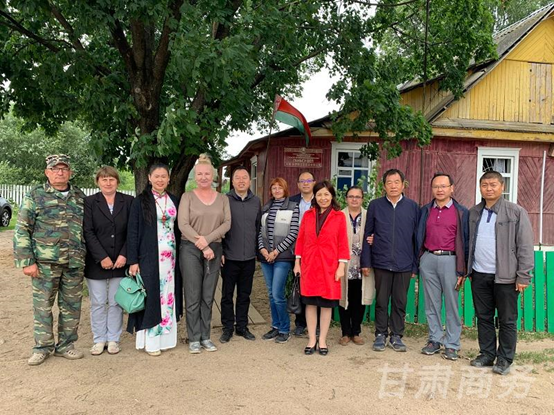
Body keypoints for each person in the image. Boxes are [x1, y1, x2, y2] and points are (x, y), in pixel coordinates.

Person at [14, 154, 87, 366]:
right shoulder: (36, 195)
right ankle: (43, 347)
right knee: (43, 306)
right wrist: (27, 261)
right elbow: (22, 229)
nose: (60, 172)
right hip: (45, 263)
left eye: (64, 169)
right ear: (47, 172)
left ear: (70, 172)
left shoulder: (79, 196)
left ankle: (66, 345)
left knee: (71, 306)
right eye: (55, 169)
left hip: (74, 262)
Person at [467, 171, 533, 375]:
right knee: (483, 317)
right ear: (480, 187)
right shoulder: (474, 212)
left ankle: (504, 358)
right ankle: (487, 354)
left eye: (493, 185)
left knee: (507, 319)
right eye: (484, 185)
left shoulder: (516, 212)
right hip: (479, 273)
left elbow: (525, 245)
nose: (489, 188)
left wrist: (523, 275)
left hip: (506, 276)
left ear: (502, 187)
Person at [361, 169, 419, 352]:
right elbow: (368, 234)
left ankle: (396, 335)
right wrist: (366, 262)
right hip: (381, 261)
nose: (393, 186)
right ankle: (380, 334)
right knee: (381, 301)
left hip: (404, 263)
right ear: (384, 186)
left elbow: (416, 239)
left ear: (403, 185)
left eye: (396, 182)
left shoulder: (412, 207)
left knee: (400, 301)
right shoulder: (375, 205)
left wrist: (415, 266)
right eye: (389, 182)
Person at [127, 163, 182, 357]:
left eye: (163, 176)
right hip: (149, 257)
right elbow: (132, 232)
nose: (160, 179)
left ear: (169, 179)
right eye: (156, 176)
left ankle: (166, 340)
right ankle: (151, 342)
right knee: (152, 297)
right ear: (149, 178)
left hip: (171, 260)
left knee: (168, 295)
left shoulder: (174, 200)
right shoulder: (140, 201)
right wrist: (133, 260)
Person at [179, 154, 231, 354]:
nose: (203, 177)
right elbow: (183, 224)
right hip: (190, 248)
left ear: (213, 176)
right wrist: (202, 244)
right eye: (199, 174)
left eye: (207, 174)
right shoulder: (187, 197)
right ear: (194, 176)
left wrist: (207, 241)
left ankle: (205, 336)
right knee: (193, 295)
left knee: (208, 295)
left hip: (214, 248)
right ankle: (194, 338)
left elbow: (227, 223)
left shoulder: (223, 198)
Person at [416, 173, 469, 361]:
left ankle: (452, 344)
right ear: (432, 189)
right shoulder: (425, 210)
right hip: (429, 259)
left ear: (452, 188)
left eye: (443, 186)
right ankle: (435, 339)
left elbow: (466, 241)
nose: (440, 190)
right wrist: (421, 258)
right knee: (431, 303)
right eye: (436, 186)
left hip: (451, 261)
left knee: (452, 304)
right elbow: (418, 234)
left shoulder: (461, 212)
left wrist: (463, 269)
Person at [294, 180, 349, 355]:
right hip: (309, 264)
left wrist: (341, 266)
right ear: (314, 196)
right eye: (319, 194)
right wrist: (297, 263)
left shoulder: (339, 216)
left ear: (332, 196)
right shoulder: (308, 215)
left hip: (329, 266)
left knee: (326, 304)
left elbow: (343, 243)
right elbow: (301, 239)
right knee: (310, 303)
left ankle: (323, 340)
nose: (323, 198)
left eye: (326, 194)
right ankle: (312, 339)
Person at [83, 166, 134, 356]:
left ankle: (113, 339)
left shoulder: (128, 201)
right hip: (96, 261)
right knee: (98, 302)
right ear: (98, 182)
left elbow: (132, 231)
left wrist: (124, 255)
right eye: (104, 179)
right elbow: (87, 231)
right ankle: (99, 339)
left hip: (120, 260)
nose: (108, 183)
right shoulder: (89, 202)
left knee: (115, 302)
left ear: (117, 182)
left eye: (111, 179)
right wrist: (102, 257)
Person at [219, 166, 261, 343]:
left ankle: (242, 326)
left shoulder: (256, 201)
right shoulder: (224, 200)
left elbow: (258, 227)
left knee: (244, 295)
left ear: (249, 181)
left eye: (245, 177)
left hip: (249, 257)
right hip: (229, 257)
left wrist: (257, 251)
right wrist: (221, 251)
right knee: (227, 295)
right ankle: (227, 327)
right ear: (233, 181)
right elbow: (218, 227)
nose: (241, 181)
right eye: (238, 177)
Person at [258, 177, 299, 344]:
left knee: (277, 293)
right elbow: (260, 231)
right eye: (274, 188)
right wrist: (262, 249)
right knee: (270, 294)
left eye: (279, 187)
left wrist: (276, 251)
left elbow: (294, 232)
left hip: (282, 257)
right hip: (266, 257)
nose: (276, 190)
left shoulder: (293, 207)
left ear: (285, 189)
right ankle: (275, 326)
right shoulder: (266, 208)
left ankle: (284, 329)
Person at [338, 186, 375, 347]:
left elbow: (377, 233)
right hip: (344, 264)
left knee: (359, 298)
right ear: (346, 198)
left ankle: (356, 331)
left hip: (363, 264)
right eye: (351, 196)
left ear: (362, 199)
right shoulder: (339, 215)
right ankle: (345, 332)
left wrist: (375, 238)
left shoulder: (369, 215)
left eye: (357, 197)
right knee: (343, 296)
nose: (354, 199)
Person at [290, 171, 316, 337]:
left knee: (315, 286)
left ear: (314, 183)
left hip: (315, 251)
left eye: (309, 180)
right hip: (295, 250)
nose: (305, 183)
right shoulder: (291, 201)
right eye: (302, 181)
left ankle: (316, 323)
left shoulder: (320, 200)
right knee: (299, 286)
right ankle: (300, 323)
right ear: (298, 184)